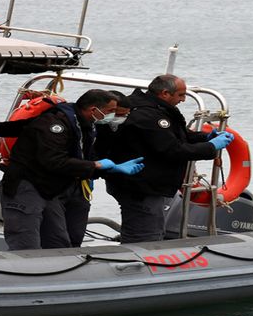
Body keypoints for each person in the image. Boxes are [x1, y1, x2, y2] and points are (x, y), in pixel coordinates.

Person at [0, 89, 145, 250]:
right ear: (94, 109)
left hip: (50, 189)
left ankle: (59, 273)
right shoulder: (56, 124)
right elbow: (54, 161)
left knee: (59, 241)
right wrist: (95, 165)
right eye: (110, 111)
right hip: (27, 185)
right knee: (25, 242)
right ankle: (26, 273)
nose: (112, 116)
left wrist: (110, 169)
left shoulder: (85, 125)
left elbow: (81, 158)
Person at [96, 74, 234, 243]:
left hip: (145, 184)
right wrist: (211, 147)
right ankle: (139, 264)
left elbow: (174, 136)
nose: (183, 100)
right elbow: (172, 149)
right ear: (165, 93)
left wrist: (204, 137)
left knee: (150, 230)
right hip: (141, 186)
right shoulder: (148, 116)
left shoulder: (155, 108)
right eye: (181, 95)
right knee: (145, 236)